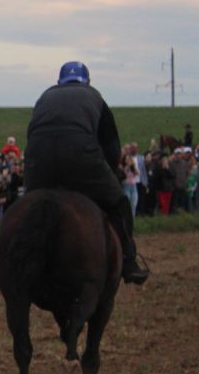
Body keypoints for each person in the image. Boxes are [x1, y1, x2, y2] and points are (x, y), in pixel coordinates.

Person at [24, 61, 148, 284]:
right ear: (88, 82)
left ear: (58, 82)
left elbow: (32, 134)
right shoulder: (95, 97)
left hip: (39, 161)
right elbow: (111, 147)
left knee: (27, 208)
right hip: (81, 158)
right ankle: (129, 261)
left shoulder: (44, 97)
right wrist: (109, 174)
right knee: (120, 202)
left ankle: (22, 254)